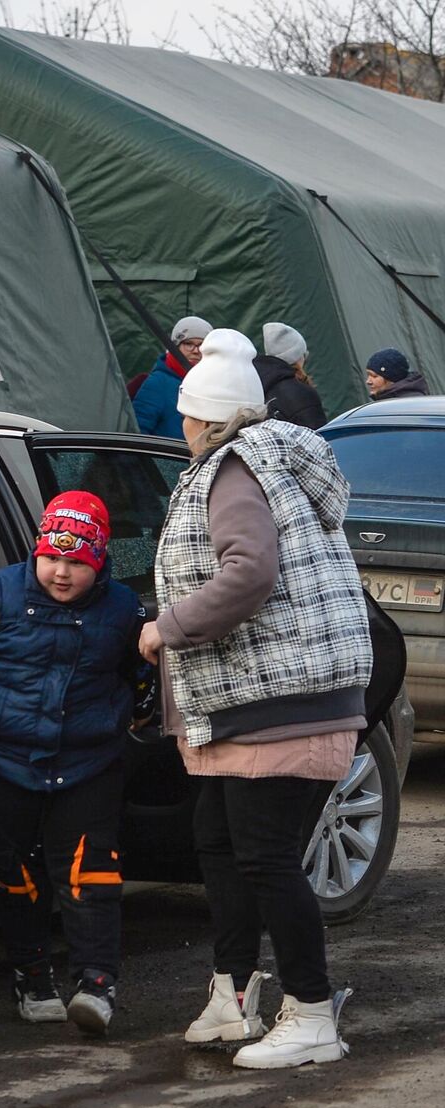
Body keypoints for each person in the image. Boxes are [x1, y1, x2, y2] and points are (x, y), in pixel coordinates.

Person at [138, 328, 372, 1070]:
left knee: (266, 855)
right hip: (270, 697)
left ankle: (309, 1013)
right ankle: (234, 992)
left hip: (279, 698)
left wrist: (165, 629)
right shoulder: (262, 462)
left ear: (204, 419)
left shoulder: (234, 470)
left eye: (184, 417)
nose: (180, 430)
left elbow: (248, 573)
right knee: (219, 841)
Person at [0, 492, 155, 1035]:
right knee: (14, 874)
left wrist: (137, 720)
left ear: (100, 561)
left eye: (77, 563)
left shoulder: (125, 610)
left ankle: (97, 985)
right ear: (36, 552)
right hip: (5, 760)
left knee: (91, 874)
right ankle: (32, 978)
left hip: (89, 764)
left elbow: (145, 673)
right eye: (52, 558)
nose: (61, 572)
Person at [131, 316, 211, 440]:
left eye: (201, 345)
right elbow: (137, 433)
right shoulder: (158, 383)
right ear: (176, 346)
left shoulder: (214, 385)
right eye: (188, 344)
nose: (195, 351)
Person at [254, 322, 326, 429]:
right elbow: (321, 437)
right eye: (304, 354)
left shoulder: (255, 389)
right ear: (299, 357)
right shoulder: (303, 394)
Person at [365, 347, 430, 400]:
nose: (368, 381)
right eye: (368, 375)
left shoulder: (407, 404)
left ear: (391, 378)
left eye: (374, 376)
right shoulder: (391, 402)